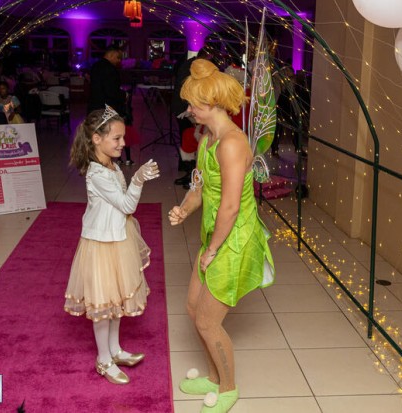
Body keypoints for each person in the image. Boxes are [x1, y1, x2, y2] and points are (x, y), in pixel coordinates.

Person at [168, 59, 275, 413]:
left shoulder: (231, 143)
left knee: (207, 320)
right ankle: (214, 377)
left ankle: (227, 389)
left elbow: (230, 207)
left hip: (233, 241)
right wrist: (184, 209)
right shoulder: (207, 140)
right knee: (192, 307)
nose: (189, 110)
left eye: (192, 104)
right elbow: (199, 188)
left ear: (212, 103)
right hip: (214, 236)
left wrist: (212, 249)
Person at [64, 105, 160, 385]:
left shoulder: (113, 166)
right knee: (103, 304)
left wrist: (133, 179)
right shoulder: (97, 174)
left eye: (122, 137)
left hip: (118, 239)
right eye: (116, 138)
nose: (122, 143)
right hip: (101, 244)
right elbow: (127, 205)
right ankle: (103, 359)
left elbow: (122, 206)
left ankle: (115, 350)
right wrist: (138, 179)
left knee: (116, 299)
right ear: (97, 139)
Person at [171, 46, 214, 188]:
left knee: (188, 138)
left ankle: (191, 174)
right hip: (186, 108)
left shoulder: (189, 63)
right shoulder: (194, 67)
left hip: (183, 107)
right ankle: (192, 175)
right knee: (191, 139)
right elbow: (189, 89)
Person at [88, 46, 133, 165]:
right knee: (107, 135)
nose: (119, 61)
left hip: (94, 107)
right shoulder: (110, 69)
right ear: (111, 55)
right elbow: (111, 92)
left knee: (97, 135)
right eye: (118, 57)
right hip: (107, 109)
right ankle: (104, 160)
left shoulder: (95, 66)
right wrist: (124, 95)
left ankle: (95, 160)